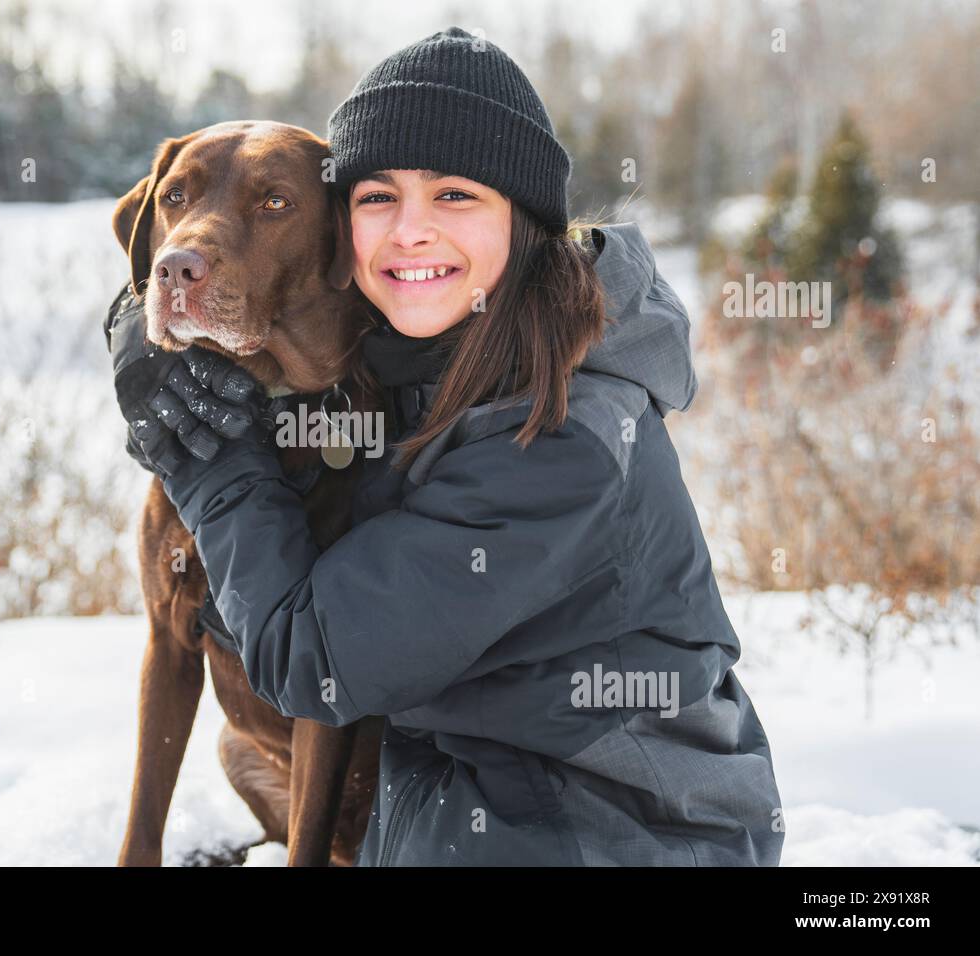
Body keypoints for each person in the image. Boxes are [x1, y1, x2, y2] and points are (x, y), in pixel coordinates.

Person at [109, 27, 784, 866]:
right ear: (344, 230)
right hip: (451, 804)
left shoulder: (562, 431)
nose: (411, 233)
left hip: (603, 836)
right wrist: (141, 329)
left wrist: (204, 456)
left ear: (527, 220)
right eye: (378, 197)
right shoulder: (411, 358)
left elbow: (317, 662)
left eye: (456, 195)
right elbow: (191, 251)